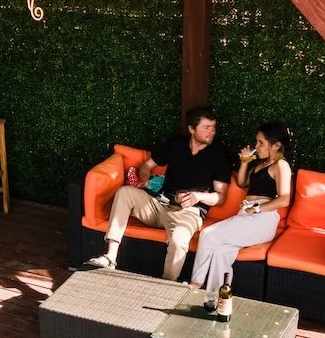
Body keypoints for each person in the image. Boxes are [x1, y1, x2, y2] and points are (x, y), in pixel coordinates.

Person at [85, 106, 231, 282]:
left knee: (179, 239)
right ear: (192, 129)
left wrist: (198, 197)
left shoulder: (219, 155)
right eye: (206, 127)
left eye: (213, 127)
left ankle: (167, 283)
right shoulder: (176, 144)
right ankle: (110, 257)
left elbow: (221, 197)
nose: (212, 132)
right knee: (125, 193)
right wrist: (144, 180)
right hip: (158, 204)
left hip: (188, 212)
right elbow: (147, 166)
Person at [190, 120, 293, 294]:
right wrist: (245, 162)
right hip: (246, 216)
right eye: (257, 142)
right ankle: (215, 296)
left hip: (262, 218)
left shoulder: (280, 165)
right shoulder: (260, 165)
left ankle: (195, 284)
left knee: (208, 234)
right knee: (221, 253)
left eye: (261, 143)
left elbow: (284, 199)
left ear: (276, 145)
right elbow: (242, 182)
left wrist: (257, 209)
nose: (257, 146)